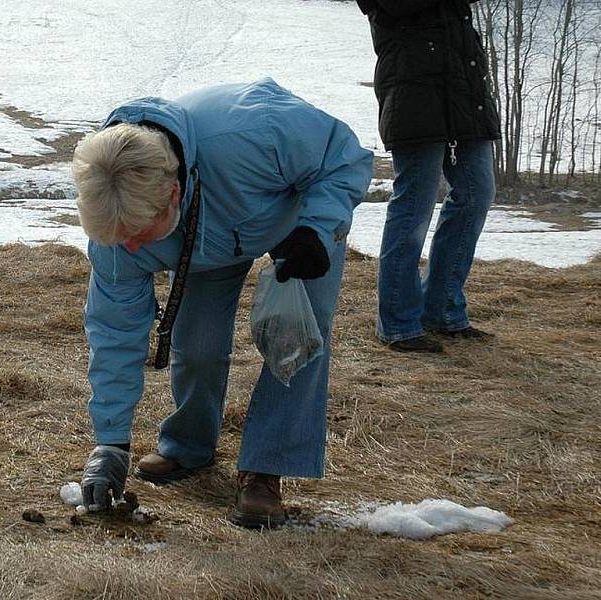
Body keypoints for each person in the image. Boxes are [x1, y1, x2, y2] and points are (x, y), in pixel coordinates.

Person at [72, 78, 372, 528]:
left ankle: (265, 469)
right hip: (203, 241)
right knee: (197, 347)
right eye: (119, 238)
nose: (130, 249)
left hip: (293, 227)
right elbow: (115, 334)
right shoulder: (119, 236)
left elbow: (344, 156)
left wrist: (317, 227)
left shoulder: (258, 131)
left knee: (296, 341)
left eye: (138, 234)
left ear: (171, 197)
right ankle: (189, 447)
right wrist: (110, 444)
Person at [357, 0, 500, 352]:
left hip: (463, 88)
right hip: (413, 91)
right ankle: (399, 324)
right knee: (414, 208)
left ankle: (443, 311)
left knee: (477, 191)